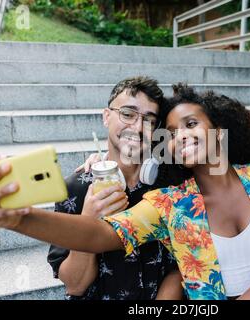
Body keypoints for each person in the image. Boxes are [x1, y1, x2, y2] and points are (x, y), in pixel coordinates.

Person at [0, 85, 250, 300]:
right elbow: (100, 233)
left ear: (218, 130)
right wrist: (20, 219)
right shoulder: (171, 202)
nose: (181, 137)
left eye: (191, 124)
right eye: (171, 133)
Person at [47, 76, 182, 299]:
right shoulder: (74, 188)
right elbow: (75, 286)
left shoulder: (168, 181)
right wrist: (88, 221)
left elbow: (180, 263)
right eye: (127, 114)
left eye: (148, 119)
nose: (138, 127)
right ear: (106, 116)